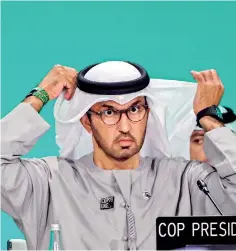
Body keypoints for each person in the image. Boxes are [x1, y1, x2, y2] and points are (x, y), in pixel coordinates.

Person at [1, 61, 236, 250]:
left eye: (134, 109)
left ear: (147, 113)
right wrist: (39, 95)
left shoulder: (186, 180)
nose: (125, 126)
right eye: (109, 112)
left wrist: (209, 117)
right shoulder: (49, 182)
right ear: (86, 121)